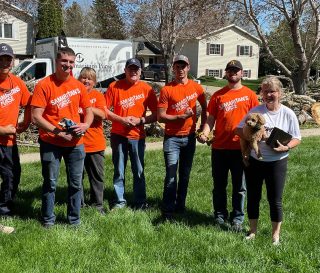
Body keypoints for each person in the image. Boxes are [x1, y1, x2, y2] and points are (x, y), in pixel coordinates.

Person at [31, 47, 93, 228]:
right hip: (51, 143)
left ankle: (74, 220)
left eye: (71, 62)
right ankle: (48, 220)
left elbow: (88, 112)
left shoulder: (79, 86)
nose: (68, 65)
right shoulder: (44, 85)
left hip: (76, 143)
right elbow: (36, 116)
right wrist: (58, 132)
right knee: (50, 183)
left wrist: (85, 125)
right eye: (64, 61)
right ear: (56, 62)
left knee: (75, 183)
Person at [235, 77, 301, 245]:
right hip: (256, 161)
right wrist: (250, 136)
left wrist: (286, 148)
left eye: (272, 91)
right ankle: (252, 231)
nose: (269, 94)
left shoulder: (288, 113)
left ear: (280, 93)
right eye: (265, 91)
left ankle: (275, 235)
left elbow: (297, 138)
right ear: (262, 93)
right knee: (253, 197)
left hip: (278, 161)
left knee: (275, 199)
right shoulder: (256, 111)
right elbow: (238, 129)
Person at [198, 60, 259, 231]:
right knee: (219, 184)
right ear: (226, 73)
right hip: (219, 147)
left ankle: (237, 218)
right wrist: (204, 132)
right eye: (230, 70)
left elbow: (258, 120)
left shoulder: (250, 95)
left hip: (241, 148)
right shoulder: (218, 95)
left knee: (240, 186)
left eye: (236, 70)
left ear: (242, 73)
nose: (233, 73)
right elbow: (211, 119)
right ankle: (219, 215)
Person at [158, 55, 207, 219]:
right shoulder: (167, 89)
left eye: (183, 66)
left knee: (185, 175)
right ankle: (167, 210)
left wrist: (202, 127)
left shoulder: (196, 88)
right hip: (172, 138)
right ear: (173, 68)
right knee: (171, 174)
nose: (180, 69)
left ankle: (180, 206)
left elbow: (206, 109)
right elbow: (160, 116)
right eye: (177, 66)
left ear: (188, 67)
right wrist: (179, 117)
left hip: (190, 137)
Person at [105, 58, 157, 210]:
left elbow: (156, 114)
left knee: (138, 170)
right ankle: (120, 201)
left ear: (140, 72)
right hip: (118, 135)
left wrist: (140, 120)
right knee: (119, 170)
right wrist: (120, 119)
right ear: (125, 70)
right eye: (130, 68)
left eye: (136, 69)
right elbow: (104, 110)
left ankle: (140, 202)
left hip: (137, 136)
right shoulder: (114, 86)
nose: (133, 71)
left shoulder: (146, 89)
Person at [0, 43, 31, 217]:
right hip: (2, 136)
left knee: (12, 176)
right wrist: (2, 129)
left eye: (8, 59)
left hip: (9, 143)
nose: (4, 62)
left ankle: (4, 210)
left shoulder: (17, 83)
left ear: (12, 62)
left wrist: (25, 123)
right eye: (1, 58)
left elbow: (29, 103)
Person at [78, 67, 107, 215]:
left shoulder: (98, 96)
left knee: (97, 176)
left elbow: (102, 114)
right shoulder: (74, 95)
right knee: (77, 178)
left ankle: (98, 204)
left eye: (90, 78)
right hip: (77, 144)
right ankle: (79, 204)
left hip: (95, 144)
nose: (86, 81)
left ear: (94, 82)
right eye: (83, 77)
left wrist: (87, 106)